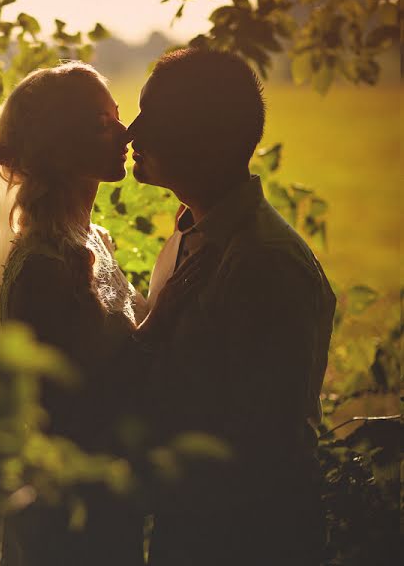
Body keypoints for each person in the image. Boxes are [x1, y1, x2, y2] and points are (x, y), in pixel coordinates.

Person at [0, 61, 205, 566]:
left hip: (109, 496)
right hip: (67, 514)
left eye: (117, 115)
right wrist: (165, 313)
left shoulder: (95, 240)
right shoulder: (44, 265)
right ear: (58, 147)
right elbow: (73, 403)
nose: (126, 131)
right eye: (101, 123)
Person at [128, 48, 336, 566]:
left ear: (206, 139)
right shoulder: (191, 230)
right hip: (189, 526)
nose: (132, 133)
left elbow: (265, 438)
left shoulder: (265, 263)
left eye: (152, 118)